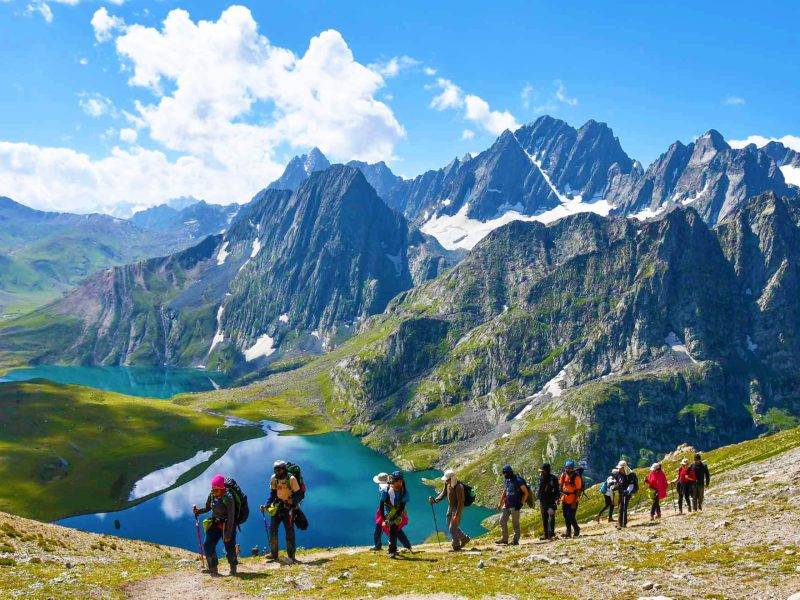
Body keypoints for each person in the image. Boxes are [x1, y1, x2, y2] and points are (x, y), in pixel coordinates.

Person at [192, 474, 237, 576]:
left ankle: (233, 568)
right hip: (215, 523)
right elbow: (208, 508)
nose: (214, 492)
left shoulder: (228, 498)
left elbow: (231, 517)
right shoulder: (212, 495)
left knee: (229, 546)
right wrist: (199, 511)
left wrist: (228, 533)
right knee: (208, 544)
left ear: (222, 488)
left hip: (227, 524)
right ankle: (213, 568)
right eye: (213, 489)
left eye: (216, 490)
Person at [265, 459, 301, 563]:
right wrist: (267, 504)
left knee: (289, 532)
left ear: (284, 469)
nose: (277, 472)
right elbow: (272, 493)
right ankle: (274, 554)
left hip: (288, 508)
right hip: (278, 506)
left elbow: (298, 494)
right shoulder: (274, 478)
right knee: (272, 530)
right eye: (275, 470)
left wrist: (292, 501)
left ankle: (291, 556)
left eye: (279, 470)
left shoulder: (292, 479)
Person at [428, 469, 471, 551]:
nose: (446, 481)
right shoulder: (447, 484)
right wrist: (435, 500)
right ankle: (464, 538)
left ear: (452, 478)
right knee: (450, 526)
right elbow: (444, 493)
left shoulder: (459, 487)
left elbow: (461, 502)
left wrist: (457, 515)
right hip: (450, 507)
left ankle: (456, 546)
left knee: (452, 528)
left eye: (447, 479)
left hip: (457, 508)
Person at [495, 465, 529, 546]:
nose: (504, 475)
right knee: (502, 521)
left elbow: (526, 492)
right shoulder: (507, 480)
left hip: (515, 505)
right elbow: (505, 491)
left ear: (509, 472)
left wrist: (521, 503)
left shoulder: (518, 480)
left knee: (515, 523)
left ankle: (515, 541)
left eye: (505, 473)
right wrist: (501, 502)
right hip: (507, 505)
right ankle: (504, 539)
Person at [381, 471, 412, 558]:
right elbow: (381, 504)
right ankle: (397, 548)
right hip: (389, 511)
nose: (400, 483)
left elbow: (402, 506)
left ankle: (392, 551)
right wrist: (384, 518)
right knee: (394, 530)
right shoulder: (386, 490)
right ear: (394, 481)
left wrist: (395, 516)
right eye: (398, 481)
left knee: (394, 530)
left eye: (401, 481)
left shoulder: (403, 491)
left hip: (397, 511)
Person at [559, 459, 583, 537]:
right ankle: (568, 532)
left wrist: (574, 502)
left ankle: (576, 529)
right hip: (565, 498)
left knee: (571, 516)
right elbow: (561, 485)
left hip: (573, 499)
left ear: (573, 468)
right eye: (567, 468)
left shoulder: (576, 477)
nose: (568, 469)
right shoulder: (564, 475)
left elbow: (578, 490)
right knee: (565, 516)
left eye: (569, 468)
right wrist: (559, 497)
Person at [536, 463, 560, 540]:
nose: (541, 472)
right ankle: (546, 534)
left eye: (542, 471)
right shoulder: (542, 478)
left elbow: (556, 490)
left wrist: (557, 498)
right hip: (543, 501)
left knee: (551, 516)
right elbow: (540, 490)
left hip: (550, 501)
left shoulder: (553, 478)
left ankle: (551, 534)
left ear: (546, 470)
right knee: (544, 518)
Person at [615, 460, 638, 529]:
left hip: (627, 493)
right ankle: (621, 522)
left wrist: (627, 491)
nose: (619, 469)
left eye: (620, 468)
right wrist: (614, 486)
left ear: (624, 468)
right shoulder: (618, 473)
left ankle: (621, 523)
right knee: (620, 506)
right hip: (620, 492)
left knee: (622, 507)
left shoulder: (630, 474)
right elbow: (617, 482)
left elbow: (631, 485)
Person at [371, 472, 389, 551]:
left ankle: (379, 546)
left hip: (385, 511)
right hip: (387, 510)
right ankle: (380, 545)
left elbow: (383, 501)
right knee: (388, 529)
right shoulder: (389, 487)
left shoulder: (384, 489)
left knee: (381, 529)